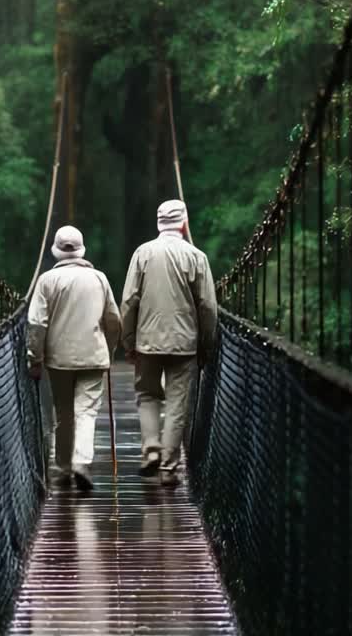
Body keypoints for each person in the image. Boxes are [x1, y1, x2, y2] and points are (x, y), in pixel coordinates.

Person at [120, 200, 217, 487]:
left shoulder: (143, 253)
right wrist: (206, 345)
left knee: (147, 395)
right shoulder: (196, 256)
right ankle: (168, 467)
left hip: (147, 341)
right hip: (184, 343)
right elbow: (208, 307)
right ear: (184, 224)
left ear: (159, 224)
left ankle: (150, 450)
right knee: (177, 403)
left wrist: (129, 341)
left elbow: (128, 301)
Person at [27, 225, 122, 492]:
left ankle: (64, 466)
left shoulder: (46, 281)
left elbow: (36, 324)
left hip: (58, 359)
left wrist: (35, 358)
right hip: (93, 355)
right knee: (86, 410)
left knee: (64, 413)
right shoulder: (99, 278)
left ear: (56, 251)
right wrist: (110, 349)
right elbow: (113, 320)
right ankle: (81, 461)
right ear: (81, 249)